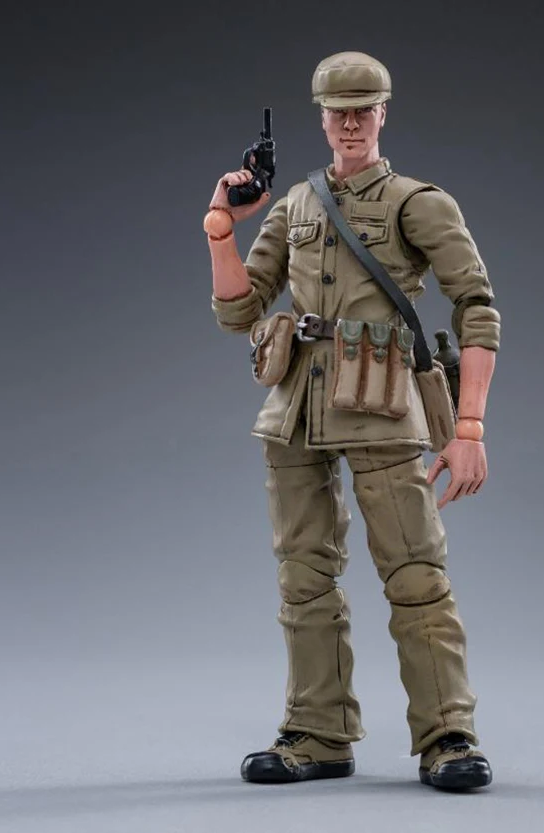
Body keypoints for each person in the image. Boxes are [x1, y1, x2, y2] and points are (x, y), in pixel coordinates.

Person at [203, 51, 501, 791]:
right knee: (303, 578)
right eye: (338, 112)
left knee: (416, 573)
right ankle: (317, 731)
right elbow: (239, 311)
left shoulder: (416, 203)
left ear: (383, 113)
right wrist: (219, 228)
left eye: (363, 110)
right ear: (322, 119)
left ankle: (448, 734)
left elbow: (477, 307)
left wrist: (469, 427)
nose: (350, 124)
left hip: (381, 405)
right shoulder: (295, 206)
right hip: (297, 409)